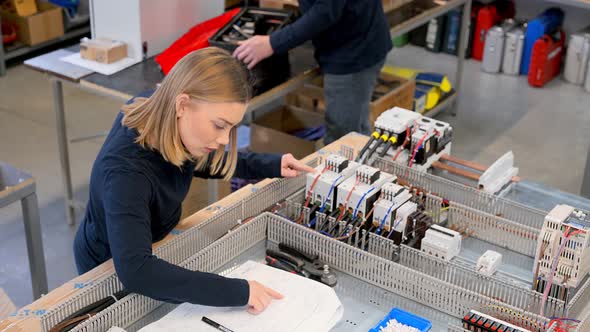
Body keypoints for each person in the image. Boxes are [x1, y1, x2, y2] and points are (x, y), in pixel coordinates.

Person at [73, 47, 314, 314]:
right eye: (219, 125)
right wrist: (240, 291)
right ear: (183, 105)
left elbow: (199, 158)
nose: (224, 139)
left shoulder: (166, 115)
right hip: (108, 265)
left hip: (152, 244)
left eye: (231, 127)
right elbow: (137, 271)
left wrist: (271, 165)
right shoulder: (126, 175)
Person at [233, 0, 393, 144]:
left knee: (344, 138)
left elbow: (325, 12)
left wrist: (273, 43)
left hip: (354, 53)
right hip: (348, 40)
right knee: (356, 125)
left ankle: (348, 172)